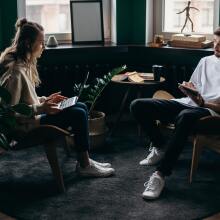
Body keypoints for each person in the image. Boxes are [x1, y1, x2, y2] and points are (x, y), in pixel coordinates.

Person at [0, 18, 115, 178]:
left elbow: (25, 100)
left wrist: (45, 100)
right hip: (26, 128)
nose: (43, 46)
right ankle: (84, 165)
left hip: (35, 118)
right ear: (28, 44)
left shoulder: (24, 64)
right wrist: (41, 108)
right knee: (78, 113)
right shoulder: (16, 73)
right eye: (40, 42)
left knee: (80, 106)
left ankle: (85, 160)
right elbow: (9, 115)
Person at [130, 27, 220, 199]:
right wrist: (189, 89)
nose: (216, 48)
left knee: (185, 116)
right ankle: (159, 145)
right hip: (190, 103)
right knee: (138, 105)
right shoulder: (206, 61)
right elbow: (194, 86)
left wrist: (204, 103)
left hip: (211, 113)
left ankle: (160, 174)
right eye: (215, 43)